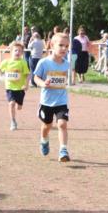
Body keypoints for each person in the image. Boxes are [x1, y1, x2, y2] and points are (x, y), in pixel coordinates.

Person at [33, 32, 72, 162]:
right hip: (46, 102)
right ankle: (44, 140)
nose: (64, 49)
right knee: (47, 126)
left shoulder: (67, 64)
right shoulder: (43, 63)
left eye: (66, 46)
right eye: (61, 45)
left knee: (62, 124)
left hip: (61, 101)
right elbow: (35, 78)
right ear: (52, 45)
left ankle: (63, 150)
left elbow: (64, 79)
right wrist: (43, 83)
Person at [0, 40, 30, 130]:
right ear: (11, 51)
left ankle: (19, 104)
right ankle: (13, 121)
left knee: (19, 107)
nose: (18, 52)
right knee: (11, 103)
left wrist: (26, 85)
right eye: (16, 50)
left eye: (20, 51)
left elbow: (27, 74)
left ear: (22, 53)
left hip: (20, 88)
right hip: (10, 87)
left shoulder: (23, 62)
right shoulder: (6, 62)